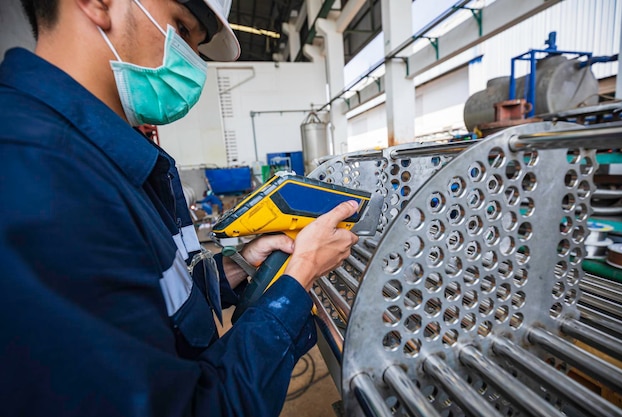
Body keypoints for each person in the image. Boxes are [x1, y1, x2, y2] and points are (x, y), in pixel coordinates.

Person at [0, 0, 359, 416]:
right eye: (183, 29)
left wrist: (241, 264)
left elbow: (164, 295)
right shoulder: (38, 176)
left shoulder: (104, 159)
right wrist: (302, 273)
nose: (192, 67)